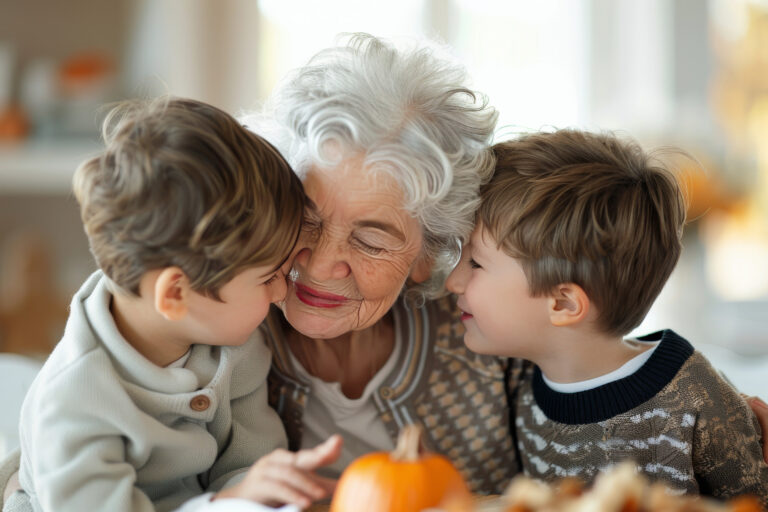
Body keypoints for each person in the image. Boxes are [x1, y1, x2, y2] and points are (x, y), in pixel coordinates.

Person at [242, 34, 768, 501]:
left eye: (370, 241)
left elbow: (588, 343)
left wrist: (715, 417)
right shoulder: (223, 326)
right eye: (305, 219)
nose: (321, 264)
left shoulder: (485, 334)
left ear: (429, 251)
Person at [1, 97, 341, 512]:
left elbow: (250, 467)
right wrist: (226, 502)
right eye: (269, 277)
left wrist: (263, 487)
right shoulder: (75, 401)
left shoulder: (234, 347)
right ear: (176, 295)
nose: (281, 293)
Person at [445, 129, 768, 501]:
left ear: (564, 304)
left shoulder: (698, 397)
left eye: (475, 263)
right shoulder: (519, 385)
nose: (452, 281)